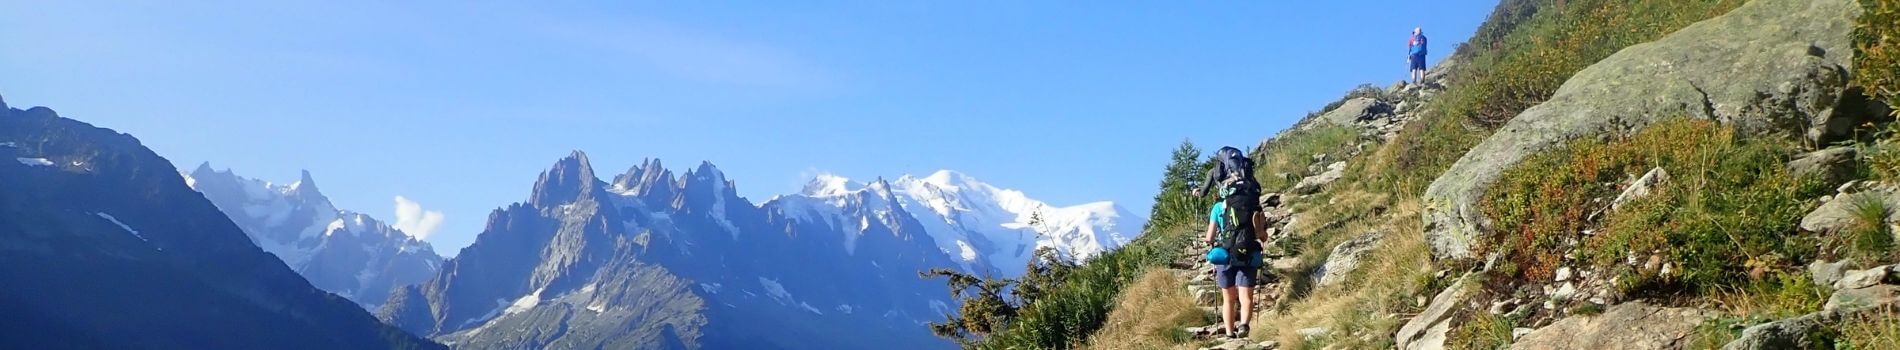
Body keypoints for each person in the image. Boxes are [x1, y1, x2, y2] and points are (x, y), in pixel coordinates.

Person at [1204, 186, 1266, 339]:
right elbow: (1263, 236)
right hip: (1248, 254)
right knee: (1246, 297)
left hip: (1225, 256)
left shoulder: (1218, 207)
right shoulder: (1253, 206)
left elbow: (1209, 237)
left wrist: (1210, 242)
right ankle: (1244, 324)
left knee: (1229, 298)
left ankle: (1230, 333)